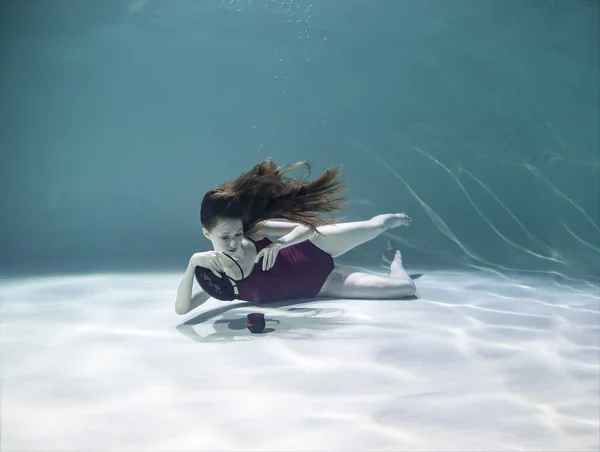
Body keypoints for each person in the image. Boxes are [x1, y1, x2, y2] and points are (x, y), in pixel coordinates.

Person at [175, 159, 416, 315]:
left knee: (376, 226)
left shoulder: (256, 230)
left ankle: (397, 218)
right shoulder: (217, 273)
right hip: (323, 284)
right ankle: (395, 260)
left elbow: (307, 228)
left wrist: (280, 244)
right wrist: (191, 266)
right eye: (224, 237)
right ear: (207, 233)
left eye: (237, 233)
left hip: (314, 247)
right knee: (404, 288)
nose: (234, 242)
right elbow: (182, 309)